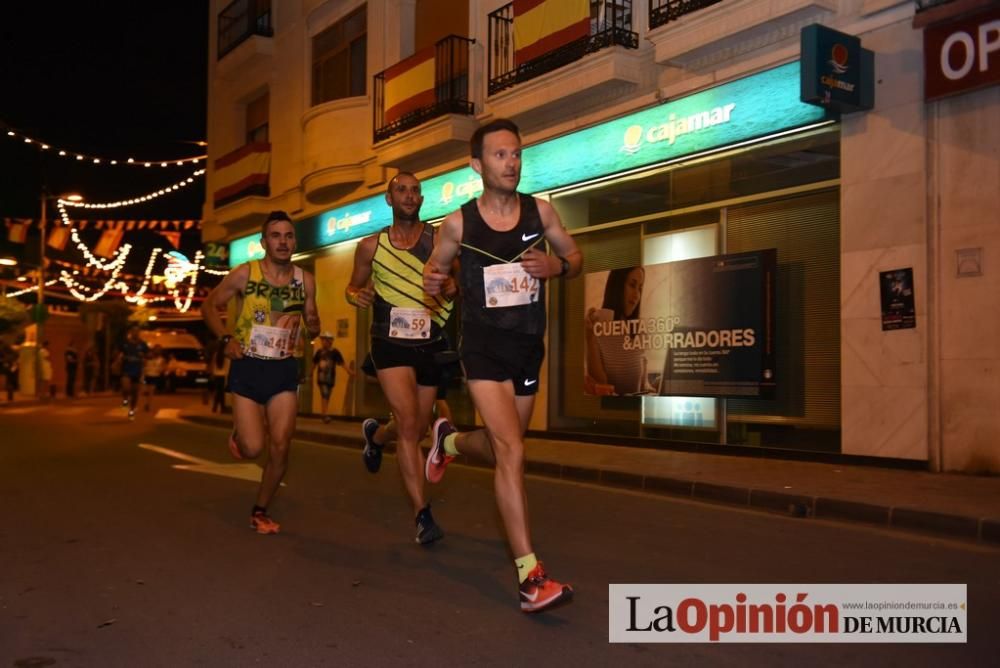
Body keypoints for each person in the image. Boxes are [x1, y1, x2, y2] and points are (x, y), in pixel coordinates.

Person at [423, 118, 582, 612]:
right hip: (483, 349)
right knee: (511, 450)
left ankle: (448, 441)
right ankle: (530, 576)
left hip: (528, 345)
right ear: (477, 165)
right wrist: (435, 283)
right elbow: (436, 269)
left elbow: (575, 255)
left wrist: (558, 267)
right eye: (499, 155)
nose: (511, 162)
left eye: (515, 154)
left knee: (502, 447)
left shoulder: (542, 211)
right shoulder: (458, 223)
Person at [347, 171, 456, 545]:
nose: (409, 196)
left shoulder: (437, 239)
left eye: (415, 191)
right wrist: (354, 296)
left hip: (429, 340)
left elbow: (456, 281)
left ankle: (376, 435)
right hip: (389, 341)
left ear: (421, 200)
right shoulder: (370, 247)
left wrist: (451, 284)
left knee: (418, 426)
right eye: (402, 190)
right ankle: (422, 515)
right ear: (389, 200)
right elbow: (353, 285)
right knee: (410, 423)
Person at [201, 210, 321, 535]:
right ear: (264, 241)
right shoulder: (245, 274)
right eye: (276, 236)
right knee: (254, 448)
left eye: (288, 236)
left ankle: (260, 509)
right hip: (248, 366)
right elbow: (209, 305)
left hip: (283, 368)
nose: (283, 242)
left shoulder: (305, 279)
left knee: (281, 444)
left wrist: (313, 325)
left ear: (295, 241)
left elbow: (312, 320)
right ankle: (241, 435)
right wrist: (225, 339)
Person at [585, 266, 651, 396]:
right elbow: (601, 384)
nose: (636, 295)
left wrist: (655, 386)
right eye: (632, 285)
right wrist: (589, 338)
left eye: (640, 288)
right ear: (617, 286)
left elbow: (643, 384)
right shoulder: (597, 325)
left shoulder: (640, 330)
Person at [313, 331, 353, 423]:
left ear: (330, 341)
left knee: (327, 395)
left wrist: (349, 371)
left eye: (325, 340)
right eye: (322, 340)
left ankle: (324, 413)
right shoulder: (319, 352)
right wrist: (310, 373)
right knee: (325, 394)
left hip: (330, 378)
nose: (323, 342)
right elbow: (314, 363)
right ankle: (324, 415)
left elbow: (341, 363)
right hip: (321, 377)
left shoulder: (335, 352)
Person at [118, 325, 149, 420]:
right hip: (126, 369)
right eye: (134, 331)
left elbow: (147, 356)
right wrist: (120, 358)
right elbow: (118, 354)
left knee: (135, 393)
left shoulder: (143, 344)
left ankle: (131, 411)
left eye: (137, 331)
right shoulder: (125, 343)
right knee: (125, 387)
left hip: (137, 371)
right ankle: (125, 400)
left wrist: (144, 359)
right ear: (131, 332)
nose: (135, 333)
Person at [142, 344, 166, 412]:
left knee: (151, 391)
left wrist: (160, 369)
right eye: (156, 349)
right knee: (146, 391)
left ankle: (148, 404)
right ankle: (147, 402)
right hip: (147, 375)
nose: (157, 351)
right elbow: (144, 364)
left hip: (155, 376)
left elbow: (163, 368)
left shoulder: (162, 359)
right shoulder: (148, 356)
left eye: (159, 350)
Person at [208, 338, 230, 413]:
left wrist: (212, 374)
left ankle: (215, 407)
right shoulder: (226, 355)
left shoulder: (216, 354)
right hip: (223, 376)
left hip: (216, 375)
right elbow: (227, 366)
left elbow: (212, 365)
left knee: (218, 392)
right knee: (221, 392)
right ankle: (222, 408)